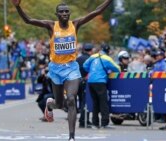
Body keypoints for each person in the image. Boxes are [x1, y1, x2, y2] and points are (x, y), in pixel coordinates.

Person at [12, 0, 113, 140]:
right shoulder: (51, 26)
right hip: (55, 69)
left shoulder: (75, 24)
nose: (65, 13)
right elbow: (28, 20)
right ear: (57, 14)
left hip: (71, 68)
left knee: (71, 99)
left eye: (67, 11)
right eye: (62, 11)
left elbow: (97, 12)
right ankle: (50, 105)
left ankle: (71, 137)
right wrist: (18, 7)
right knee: (59, 103)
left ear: (69, 14)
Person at [83, 43, 120, 129]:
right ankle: (104, 123)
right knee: (103, 103)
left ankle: (95, 124)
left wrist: (92, 70)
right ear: (108, 51)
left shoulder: (93, 56)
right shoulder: (107, 58)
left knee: (95, 103)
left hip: (91, 81)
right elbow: (117, 68)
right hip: (100, 81)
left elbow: (85, 65)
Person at [76, 43, 94, 128]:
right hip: (85, 82)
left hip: (76, 82)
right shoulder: (90, 59)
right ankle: (83, 121)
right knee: (85, 102)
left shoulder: (78, 58)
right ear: (91, 51)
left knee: (81, 101)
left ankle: (82, 119)